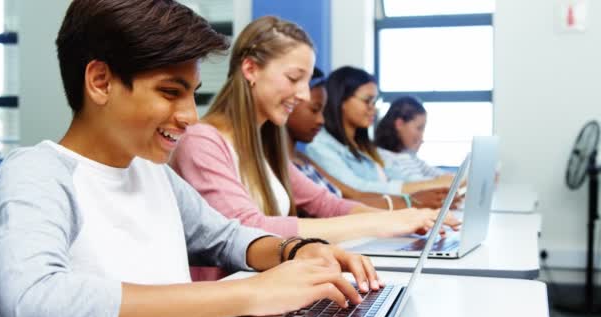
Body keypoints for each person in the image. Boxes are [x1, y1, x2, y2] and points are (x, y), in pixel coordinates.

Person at [0, 2, 386, 317]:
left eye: (192, 94)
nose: (190, 116)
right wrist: (250, 295)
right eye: (170, 92)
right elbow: (32, 299)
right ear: (101, 82)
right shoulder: (36, 172)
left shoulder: (153, 174)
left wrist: (297, 251)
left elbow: (228, 237)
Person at [169, 16, 459, 246]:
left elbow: (327, 204)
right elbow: (248, 229)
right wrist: (384, 223)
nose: (305, 95)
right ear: (250, 69)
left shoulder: (263, 145)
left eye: (306, 82)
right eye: (294, 78)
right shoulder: (202, 141)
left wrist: (407, 218)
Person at [287, 68, 450, 210]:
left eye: (374, 102)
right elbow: (353, 192)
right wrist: (413, 199)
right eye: (367, 101)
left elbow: (393, 178)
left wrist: (430, 191)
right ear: (341, 100)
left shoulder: (364, 148)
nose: (373, 109)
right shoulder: (318, 147)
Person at [375, 96, 454, 182]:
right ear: (399, 124)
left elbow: (439, 174)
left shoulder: (408, 155)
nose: (421, 136)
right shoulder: (382, 157)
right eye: (419, 128)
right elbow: (413, 184)